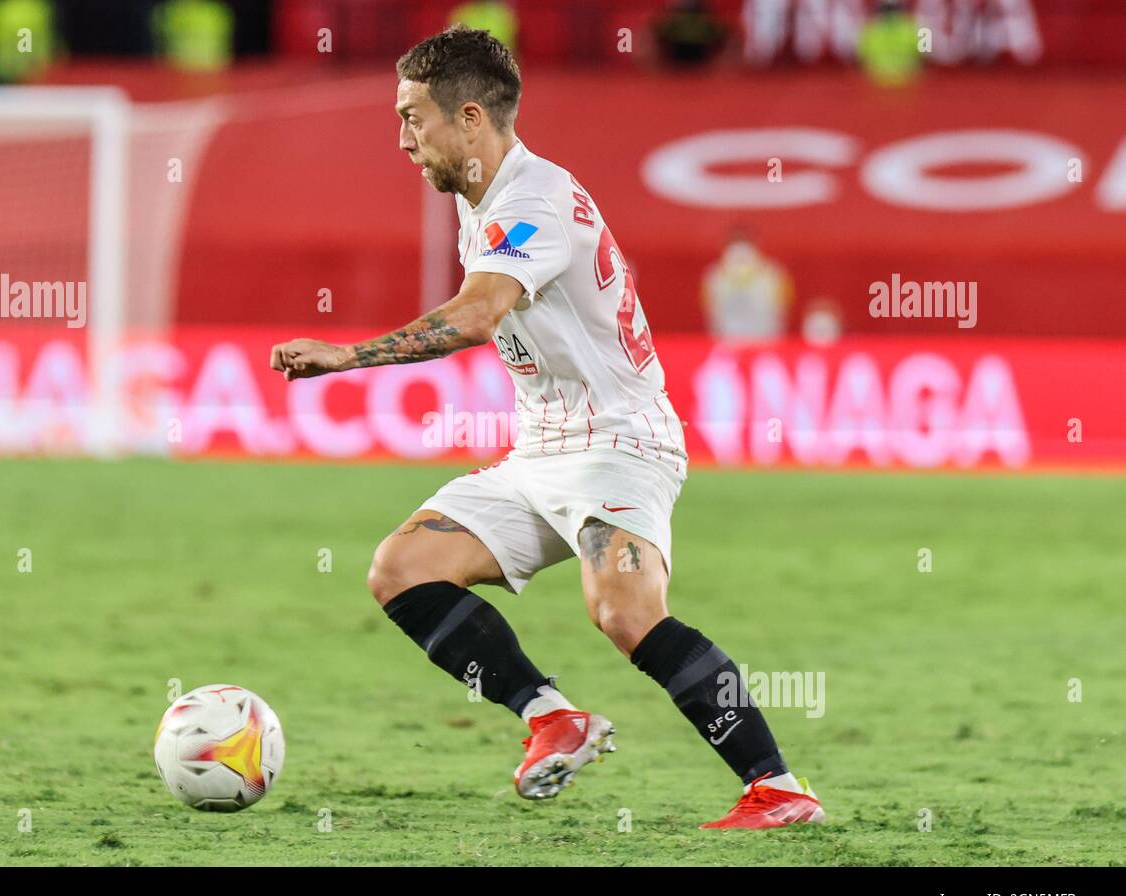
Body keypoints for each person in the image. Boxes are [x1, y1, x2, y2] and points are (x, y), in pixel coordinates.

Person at [270, 26, 824, 828]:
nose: (402, 139)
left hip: (621, 440)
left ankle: (777, 785)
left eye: (412, 118)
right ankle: (550, 715)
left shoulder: (532, 199)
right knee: (403, 567)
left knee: (625, 612)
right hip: (543, 448)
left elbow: (477, 313)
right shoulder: (482, 202)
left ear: (468, 118)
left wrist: (347, 355)